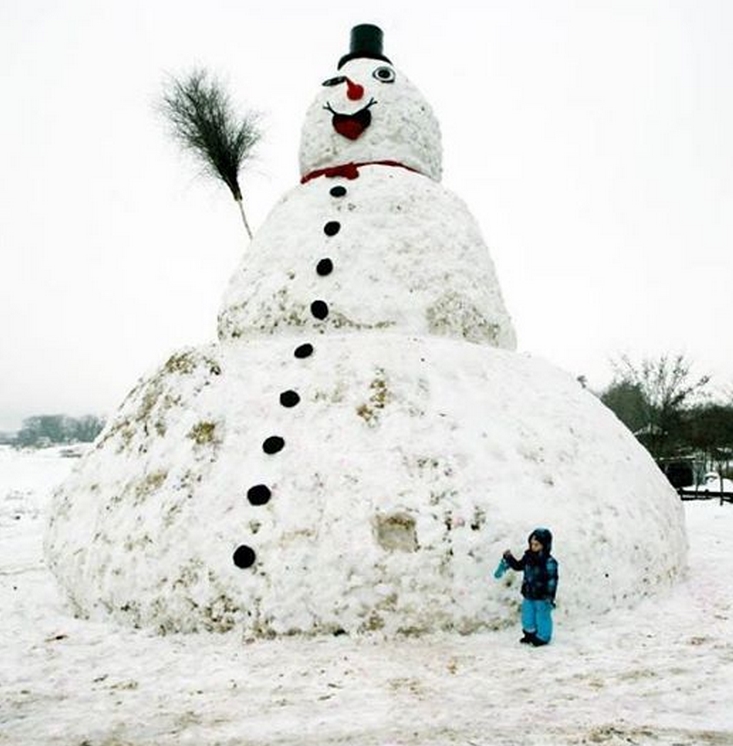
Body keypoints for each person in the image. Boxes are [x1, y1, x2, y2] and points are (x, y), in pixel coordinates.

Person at [503, 527, 558, 646]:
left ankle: (543, 636)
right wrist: (509, 558)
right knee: (527, 615)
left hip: (542, 597)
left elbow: (552, 581)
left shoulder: (549, 562)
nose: (533, 547)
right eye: (531, 544)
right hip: (528, 593)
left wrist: (549, 597)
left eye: (537, 545)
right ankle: (530, 633)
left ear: (545, 545)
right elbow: (518, 566)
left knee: (542, 616)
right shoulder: (528, 557)